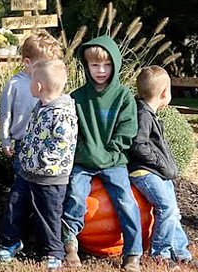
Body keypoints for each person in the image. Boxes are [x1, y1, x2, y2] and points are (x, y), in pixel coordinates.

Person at [61, 35, 141, 272]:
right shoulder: (76, 97)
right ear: (86, 66)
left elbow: (127, 130)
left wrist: (111, 153)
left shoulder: (124, 96)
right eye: (95, 65)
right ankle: (70, 245)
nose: (101, 70)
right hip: (83, 160)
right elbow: (70, 131)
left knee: (126, 200)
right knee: (75, 195)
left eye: (107, 65)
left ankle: (133, 253)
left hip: (114, 161)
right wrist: (83, 153)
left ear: (115, 64)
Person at [0, 60, 77, 272]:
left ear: (39, 85)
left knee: (49, 215)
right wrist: (25, 157)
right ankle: (11, 241)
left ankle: (53, 251)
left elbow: (61, 144)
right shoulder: (39, 107)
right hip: (27, 172)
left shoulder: (62, 113)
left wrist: (38, 161)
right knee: (14, 206)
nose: (29, 83)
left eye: (32, 79)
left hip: (50, 177)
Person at [128, 66, 194, 269]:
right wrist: (160, 164)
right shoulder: (143, 115)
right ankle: (160, 254)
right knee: (165, 207)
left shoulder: (149, 113)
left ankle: (181, 253)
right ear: (165, 92)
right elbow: (139, 145)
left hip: (155, 172)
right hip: (144, 172)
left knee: (173, 211)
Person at [0, 31, 64, 171]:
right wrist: (5, 140)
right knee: (22, 180)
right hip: (22, 142)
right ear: (28, 62)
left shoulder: (51, 82)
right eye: (43, 65)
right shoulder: (15, 84)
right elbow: (6, 114)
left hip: (46, 140)